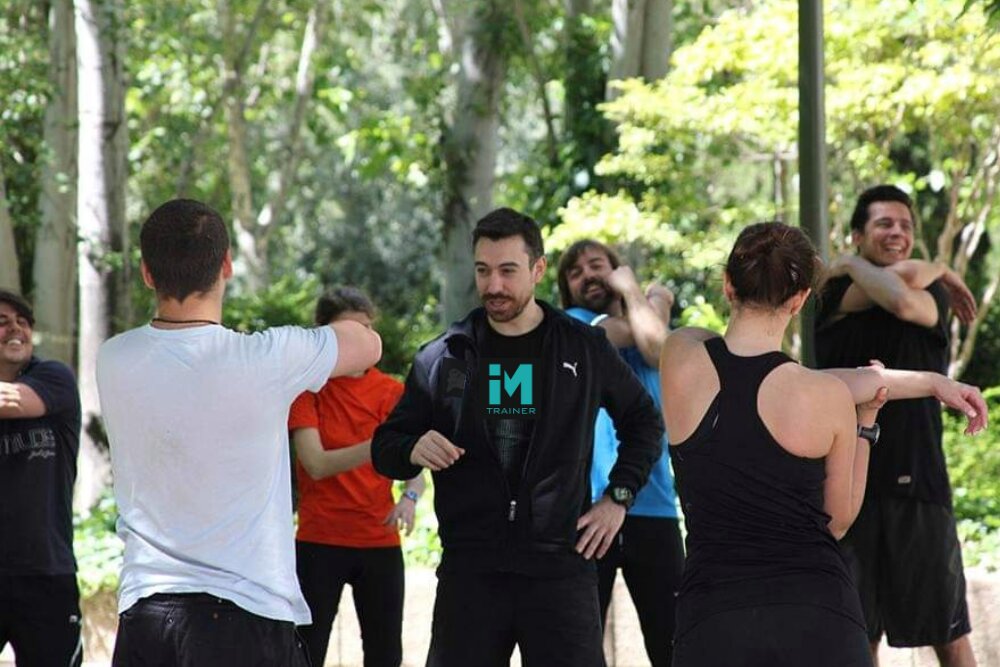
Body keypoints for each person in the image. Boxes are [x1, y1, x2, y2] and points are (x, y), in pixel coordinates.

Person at [660, 222, 987, 667]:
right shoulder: (824, 398)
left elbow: (749, 375)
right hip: (817, 615)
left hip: (713, 620)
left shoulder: (680, 355)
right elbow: (838, 519)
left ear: (727, 284)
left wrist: (927, 382)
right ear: (799, 300)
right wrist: (867, 422)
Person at [371, 208, 663, 667]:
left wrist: (619, 497)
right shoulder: (443, 356)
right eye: (483, 270)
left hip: (559, 571)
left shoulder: (583, 346)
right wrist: (412, 447)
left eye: (508, 271)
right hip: (471, 573)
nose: (494, 286)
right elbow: (385, 447)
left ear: (538, 269)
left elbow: (644, 421)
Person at [96, 199, 382, 667]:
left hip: (146, 614)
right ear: (227, 265)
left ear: (147, 273)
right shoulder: (267, 359)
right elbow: (368, 344)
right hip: (243, 615)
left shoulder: (114, 358)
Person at [816, 184, 981, 667]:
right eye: (884, 223)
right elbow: (890, 293)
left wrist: (939, 270)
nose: (897, 233)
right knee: (854, 639)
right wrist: (853, 269)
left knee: (949, 635)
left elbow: (905, 303)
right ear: (857, 233)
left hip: (919, 482)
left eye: (906, 226)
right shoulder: (834, 294)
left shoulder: (930, 295)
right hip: (847, 485)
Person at [556, 240, 681, 667]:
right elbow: (654, 344)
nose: (588, 275)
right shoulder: (575, 324)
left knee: (675, 644)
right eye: (575, 272)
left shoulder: (645, 324)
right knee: (577, 649)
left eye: (597, 265)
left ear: (617, 268)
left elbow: (655, 347)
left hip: (656, 506)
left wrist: (640, 297)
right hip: (589, 511)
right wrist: (652, 297)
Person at [289, 287, 425, 667]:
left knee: (385, 654)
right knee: (305, 652)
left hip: (379, 539)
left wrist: (410, 498)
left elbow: (415, 465)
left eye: (365, 329)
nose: (358, 341)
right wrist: (382, 445)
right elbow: (315, 463)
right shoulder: (307, 389)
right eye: (346, 332)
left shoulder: (392, 391)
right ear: (324, 336)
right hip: (320, 540)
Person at [0, 290, 83, 667]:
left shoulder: (54, 378)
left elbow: (13, 400)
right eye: (2, 322)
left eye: (23, 322)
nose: (16, 329)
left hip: (45, 572)